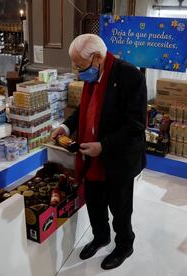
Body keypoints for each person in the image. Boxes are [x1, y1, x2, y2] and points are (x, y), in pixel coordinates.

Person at [52, 34, 147, 270]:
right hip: (91, 157)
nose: (77, 70)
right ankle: (101, 236)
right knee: (94, 202)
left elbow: (135, 127)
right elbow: (85, 110)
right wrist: (66, 126)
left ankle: (125, 245)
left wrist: (103, 146)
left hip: (117, 158)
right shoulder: (93, 74)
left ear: (96, 58)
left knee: (120, 207)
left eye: (80, 65)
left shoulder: (129, 76)